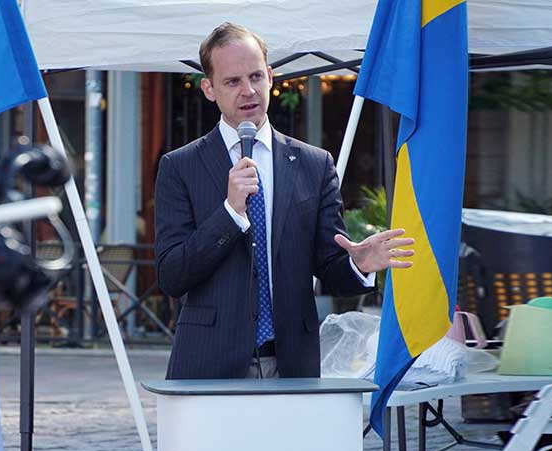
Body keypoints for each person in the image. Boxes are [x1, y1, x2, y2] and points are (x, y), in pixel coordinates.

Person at [154, 23, 414, 380]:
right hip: (208, 363)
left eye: (256, 76)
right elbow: (171, 276)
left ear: (271, 77)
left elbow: (330, 267)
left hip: (292, 362)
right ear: (209, 89)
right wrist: (230, 213)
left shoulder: (314, 164)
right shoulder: (180, 166)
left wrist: (359, 264)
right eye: (232, 82)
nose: (248, 91)